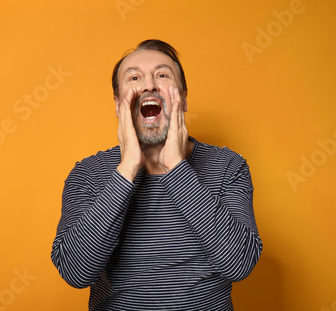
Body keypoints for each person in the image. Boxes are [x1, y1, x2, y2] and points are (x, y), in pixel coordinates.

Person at [51, 39, 263, 310]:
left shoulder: (227, 167)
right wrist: (127, 168)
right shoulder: (88, 174)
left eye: (162, 75)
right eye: (134, 77)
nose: (149, 85)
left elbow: (240, 265)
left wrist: (176, 166)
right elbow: (75, 272)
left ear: (183, 98)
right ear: (118, 104)